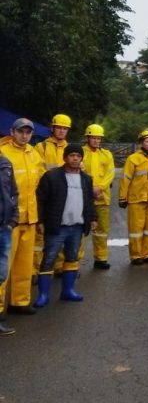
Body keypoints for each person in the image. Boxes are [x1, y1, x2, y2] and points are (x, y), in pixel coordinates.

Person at [33, 144, 96, 308]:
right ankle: (43, 295)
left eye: (78, 156)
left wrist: (93, 218)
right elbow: (40, 200)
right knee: (48, 260)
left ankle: (68, 291)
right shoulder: (51, 176)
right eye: (71, 155)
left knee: (72, 259)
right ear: (65, 158)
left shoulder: (86, 179)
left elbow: (89, 201)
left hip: (77, 227)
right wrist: (40, 221)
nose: (75, 158)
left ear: (81, 159)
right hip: (57, 226)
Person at [0, 118, 45, 315]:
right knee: (3, 266)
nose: (24, 135)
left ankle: (20, 301)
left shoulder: (34, 154)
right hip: (8, 221)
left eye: (28, 132)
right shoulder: (3, 152)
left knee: (24, 265)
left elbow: (40, 186)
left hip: (30, 218)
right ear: (12, 132)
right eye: (21, 131)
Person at [118, 129, 148, 265]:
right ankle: (136, 255)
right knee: (136, 230)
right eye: (147, 141)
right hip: (136, 199)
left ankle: (147, 254)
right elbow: (125, 179)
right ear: (141, 143)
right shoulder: (133, 159)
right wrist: (122, 197)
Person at [33, 113, 71, 276]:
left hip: (64, 196)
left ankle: (59, 266)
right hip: (46, 195)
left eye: (65, 129)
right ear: (52, 128)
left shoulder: (70, 149)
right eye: (59, 128)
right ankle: (35, 269)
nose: (62, 131)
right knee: (40, 235)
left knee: (61, 230)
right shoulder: (41, 147)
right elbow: (38, 169)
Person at [82, 124, 115, 270]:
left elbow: (110, 173)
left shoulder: (106, 154)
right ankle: (73, 263)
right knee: (81, 231)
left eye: (99, 138)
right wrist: (91, 190)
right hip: (84, 198)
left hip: (102, 197)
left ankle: (101, 258)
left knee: (102, 230)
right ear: (87, 138)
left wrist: (100, 188)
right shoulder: (81, 153)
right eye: (93, 138)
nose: (96, 141)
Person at [0, 152, 20, 335]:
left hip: (4, 227)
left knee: (1, 275)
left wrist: (13, 220)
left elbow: (14, 193)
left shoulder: (5, 163)